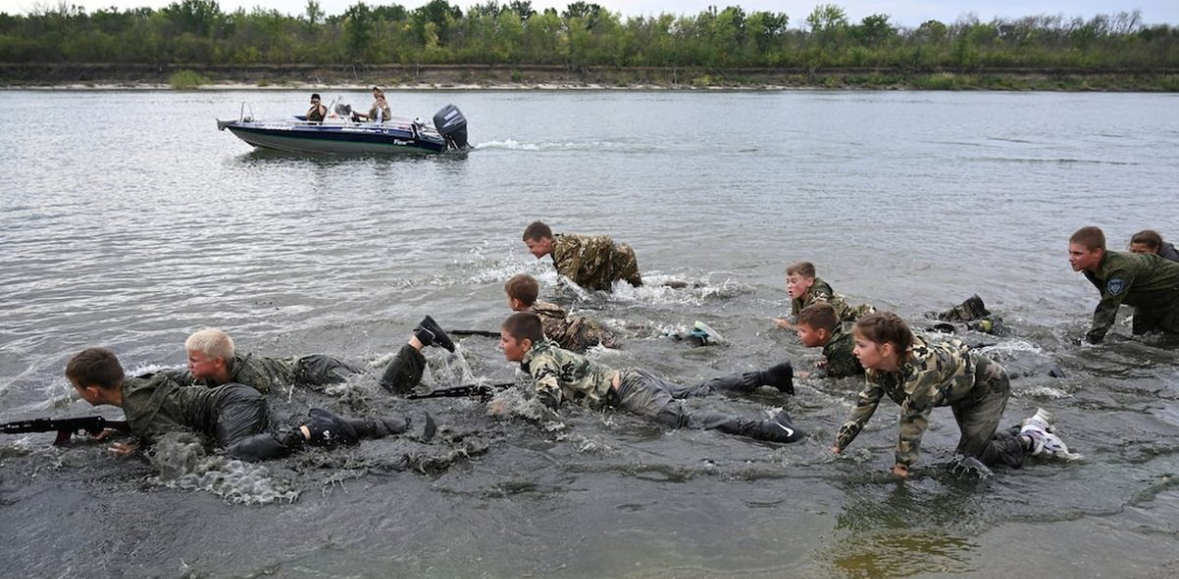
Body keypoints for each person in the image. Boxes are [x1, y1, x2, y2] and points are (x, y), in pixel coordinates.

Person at [498, 312, 803, 444]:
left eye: (504, 341)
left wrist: (510, 411)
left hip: (629, 391)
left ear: (524, 344)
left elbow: (547, 400)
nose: (500, 346)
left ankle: (773, 429)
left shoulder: (538, 359)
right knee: (694, 391)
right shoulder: (543, 350)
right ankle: (770, 376)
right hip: (632, 379)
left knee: (683, 420)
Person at [66, 347, 415, 462]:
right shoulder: (136, 388)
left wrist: (140, 450)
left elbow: (185, 443)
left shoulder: (139, 409)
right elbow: (164, 412)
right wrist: (123, 431)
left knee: (234, 456)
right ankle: (382, 425)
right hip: (234, 400)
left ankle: (310, 431)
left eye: (78, 389)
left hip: (235, 404)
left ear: (93, 392)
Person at [832, 313, 1071, 479]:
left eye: (861, 345)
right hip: (958, 392)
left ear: (885, 349)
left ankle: (1030, 439)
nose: (854, 351)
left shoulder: (920, 371)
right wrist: (839, 444)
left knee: (967, 461)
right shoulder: (877, 367)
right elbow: (865, 404)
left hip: (987, 388)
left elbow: (912, 421)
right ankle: (1025, 428)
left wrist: (902, 466)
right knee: (971, 450)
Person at [170, 317, 455, 396]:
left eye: (193, 361)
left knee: (382, 394)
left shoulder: (250, 378)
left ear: (217, 362)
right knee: (373, 381)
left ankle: (420, 337)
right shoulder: (216, 372)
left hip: (316, 370)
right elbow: (180, 378)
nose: (189, 366)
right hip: (314, 368)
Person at [1069, 226, 1179, 343]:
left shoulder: (1119, 270)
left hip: (1173, 292)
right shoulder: (1088, 269)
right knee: (1141, 337)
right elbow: (1108, 299)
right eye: (1070, 252)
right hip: (1149, 297)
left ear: (1097, 253)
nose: (1070, 258)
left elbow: (1109, 306)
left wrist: (1090, 341)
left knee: (1171, 341)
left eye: (1077, 254)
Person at [504, 274, 617, 352]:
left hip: (582, 340)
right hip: (589, 326)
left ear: (516, 302)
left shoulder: (527, 323)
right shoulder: (542, 306)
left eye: (507, 297)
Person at [522, 221, 642, 292]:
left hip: (620, 259)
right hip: (606, 263)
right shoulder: (556, 248)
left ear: (544, 241)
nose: (530, 251)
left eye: (531, 246)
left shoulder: (564, 248)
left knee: (633, 296)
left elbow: (566, 285)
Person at [774, 262, 873, 330]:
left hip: (858, 318)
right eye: (787, 282)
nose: (789, 286)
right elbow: (798, 318)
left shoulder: (819, 294)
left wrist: (789, 327)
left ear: (809, 282)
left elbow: (816, 327)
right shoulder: (797, 295)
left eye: (794, 281)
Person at [795, 303, 863, 379]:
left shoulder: (838, 349)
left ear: (821, 333)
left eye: (803, 331)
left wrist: (811, 375)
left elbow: (844, 376)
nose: (798, 334)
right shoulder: (844, 327)